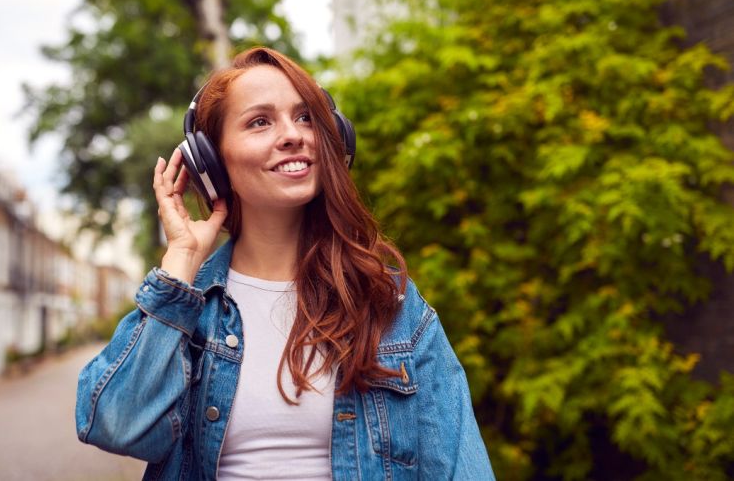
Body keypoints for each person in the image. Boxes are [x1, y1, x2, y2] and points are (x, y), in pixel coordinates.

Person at [75, 47, 494, 480]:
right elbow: (117, 426)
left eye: (305, 117)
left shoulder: (391, 305)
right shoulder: (189, 308)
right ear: (213, 163)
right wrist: (180, 262)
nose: (293, 135)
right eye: (260, 121)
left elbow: (462, 468)